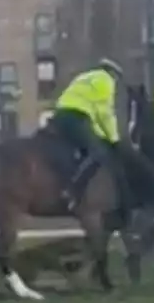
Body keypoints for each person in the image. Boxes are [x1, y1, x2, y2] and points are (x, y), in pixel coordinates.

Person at [50, 58, 130, 215]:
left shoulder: (83, 77)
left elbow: (93, 118)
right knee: (98, 154)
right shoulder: (105, 81)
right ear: (113, 73)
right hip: (77, 117)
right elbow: (104, 113)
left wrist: (101, 135)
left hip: (60, 115)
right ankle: (72, 191)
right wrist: (114, 139)